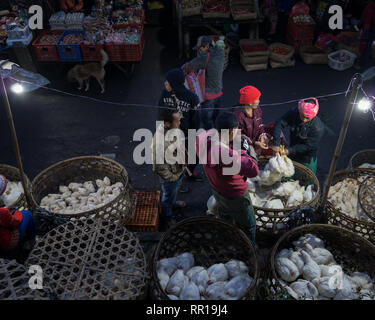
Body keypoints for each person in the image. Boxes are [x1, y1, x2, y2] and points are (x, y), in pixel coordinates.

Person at [196, 112, 259, 243]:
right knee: (249, 224)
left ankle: (226, 239)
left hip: (217, 189)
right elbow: (253, 170)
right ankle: (250, 248)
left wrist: (235, 138)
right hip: (236, 195)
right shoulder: (229, 155)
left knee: (225, 216)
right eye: (237, 130)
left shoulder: (202, 137)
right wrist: (246, 152)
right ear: (231, 131)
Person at [158, 68, 203, 185]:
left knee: (193, 157)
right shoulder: (165, 93)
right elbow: (160, 112)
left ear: (175, 83)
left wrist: (190, 137)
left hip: (188, 133)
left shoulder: (192, 97)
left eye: (167, 82)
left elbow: (196, 119)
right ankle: (178, 181)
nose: (165, 83)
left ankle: (189, 173)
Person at [151, 109, 186, 226]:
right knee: (168, 194)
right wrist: (172, 177)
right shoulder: (159, 143)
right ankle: (167, 216)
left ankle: (172, 203)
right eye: (177, 121)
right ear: (167, 123)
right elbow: (159, 167)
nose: (180, 123)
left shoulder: (173, 129)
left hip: (178, 169)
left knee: (173, 192)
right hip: (171, 175)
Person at [182, 36, 225, 130]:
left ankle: (209, 138)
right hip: (219, 92)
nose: (199, 50)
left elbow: (187, 67)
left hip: (208, 96)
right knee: (217, 118)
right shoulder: (221, 52)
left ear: (206, 46)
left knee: (206, 120)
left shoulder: (204, 58)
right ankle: (218, 138)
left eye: (200, 48)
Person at [271, 98, 324, 174]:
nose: (304, 120)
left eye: (307, 118)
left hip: (307, 157)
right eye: (302, 116)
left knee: (306, 180)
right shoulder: (294, 112)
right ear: (299, 111)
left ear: (313, 116)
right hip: (292, 150)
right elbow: (279, 123)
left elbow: (308, 146)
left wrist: (289, 150)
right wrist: (276, 143)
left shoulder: (318, 128)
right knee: (288, 175)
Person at [0, 175, 36, 252]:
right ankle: (31, 241)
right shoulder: (3, 212)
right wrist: (16, 213)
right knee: (27, 214)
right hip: (4, 243)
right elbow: (15, 222)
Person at [232, 86, 269, 153]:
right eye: (257, 99)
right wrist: (254, 143)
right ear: (250, 103)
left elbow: (260, 124)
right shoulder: (238, 116)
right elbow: (236, 137)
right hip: (241, 148)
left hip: (254, 144)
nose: (259, 101)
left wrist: (262, 134)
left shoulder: (257, 109)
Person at [357, 0, 375, 69]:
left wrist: (359, 26)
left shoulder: (371, 6)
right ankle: (366, 59)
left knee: (366, 46)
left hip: (370, 29)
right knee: (368, 45)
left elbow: (365, 18)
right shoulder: (370, 6)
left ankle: (362, 64)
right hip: (371, 28)